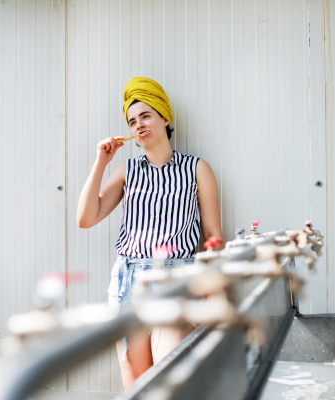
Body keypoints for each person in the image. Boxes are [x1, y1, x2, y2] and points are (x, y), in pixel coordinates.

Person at [76, 77, 223, 388]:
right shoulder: (126, 171)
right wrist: (101, 163)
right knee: (138, 388)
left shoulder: (197, 169)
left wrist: (213, 296)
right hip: (128, 282)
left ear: (164, 117)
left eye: (145, 116)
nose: (138, 125)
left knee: (172, 382)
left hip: (175, 282)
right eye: (132, 121)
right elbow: (86, 218)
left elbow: (212, 237)